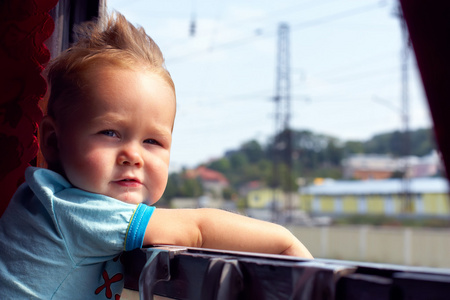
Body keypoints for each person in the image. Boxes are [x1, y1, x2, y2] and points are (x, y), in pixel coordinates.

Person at [0, 12, 312, 299]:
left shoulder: (41, 198)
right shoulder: (71, 209)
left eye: (152, 140)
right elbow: (199, 229)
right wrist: (284, 242)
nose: (132, 156)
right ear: (54, 143)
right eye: (110, 133)